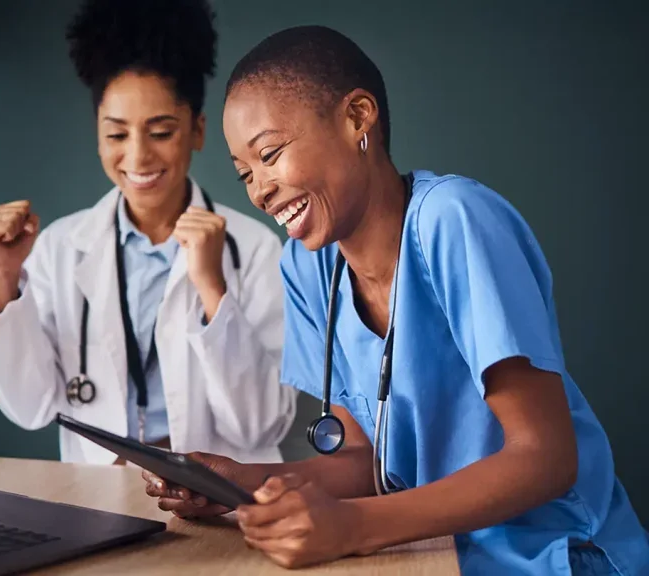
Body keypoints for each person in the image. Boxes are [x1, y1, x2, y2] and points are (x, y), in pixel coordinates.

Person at [142, 25, 649, 575]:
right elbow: (365, 463)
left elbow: (545, 458)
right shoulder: (308, 265)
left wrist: (357, 527)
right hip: (436, 553)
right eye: (246, 173)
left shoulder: (453, 220)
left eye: (270, 154)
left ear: (358, 117)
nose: (260, 189)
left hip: (556, 554)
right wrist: (243, 481)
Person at [0, 0, 297, 466]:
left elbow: (262, 425)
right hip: (98, 499)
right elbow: (30, 407)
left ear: (197, 131)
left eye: (161, 131)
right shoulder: (60, 248)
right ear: (97, 134)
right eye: (117, 134)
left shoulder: (254, 249)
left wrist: (212, 290)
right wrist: (4, 281)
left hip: (220, 503)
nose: (139, 157)